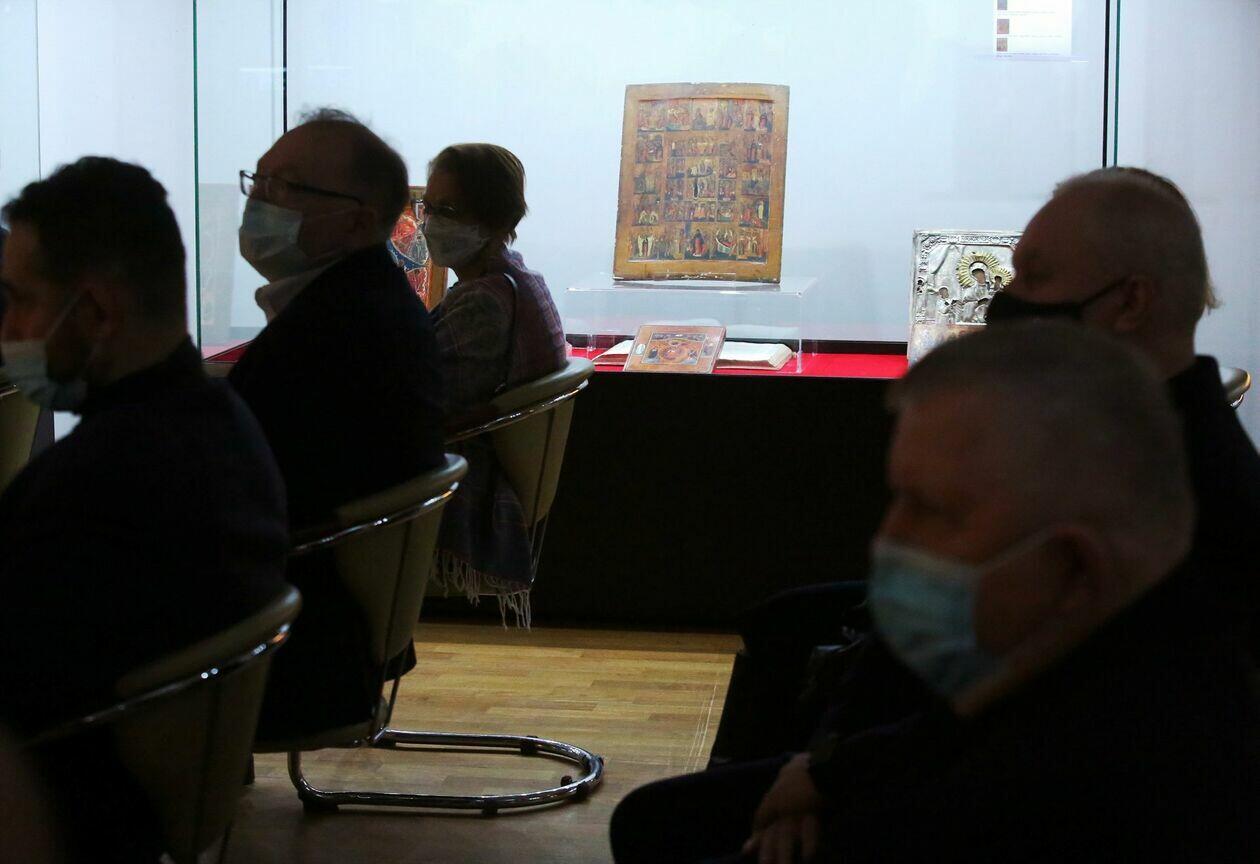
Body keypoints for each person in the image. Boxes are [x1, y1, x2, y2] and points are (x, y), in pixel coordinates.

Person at [611, 323, 1260, 863]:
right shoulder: (1080, 640)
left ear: (1070, 554)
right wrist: (816, 778)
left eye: (934, 511)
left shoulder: (1108, 759)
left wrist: (825, 785)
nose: (892, 539)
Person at [708, 166, 1260, 764]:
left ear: (1131, 301)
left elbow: (1060, 707)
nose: (1006, 299)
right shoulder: (1108, 421)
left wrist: (832, 776)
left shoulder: (1191, 491)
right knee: (783, 622)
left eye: (1036, 277)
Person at [0, 157, 289, 862]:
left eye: (19, 299)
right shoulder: (218, 425)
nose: (7, 326)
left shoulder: (101, 482)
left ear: (96, 312)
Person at [228, 108, 445, 737]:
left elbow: (235, 496)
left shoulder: (334, 334)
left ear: (355, 221)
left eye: (285, 187)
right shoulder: (361, 303)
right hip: (321, 622)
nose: (259, 201)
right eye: (258, 180)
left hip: (287, 643)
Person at [423, 143, 566, 623]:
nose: (429, 223)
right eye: (429, 208)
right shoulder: (517, 278)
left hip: (461, 475)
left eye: (448, 211)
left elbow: (425, 405)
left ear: (492, 218)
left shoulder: (483, 301)